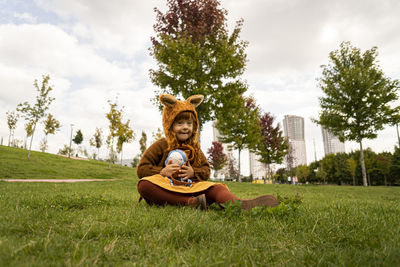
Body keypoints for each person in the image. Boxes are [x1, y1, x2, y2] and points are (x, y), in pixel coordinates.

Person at [137, 94, 278, 210]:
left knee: (216, 187)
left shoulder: (195, 148)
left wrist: (194, 173)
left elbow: (206, 170)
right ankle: (189, 203)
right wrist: (162, 172)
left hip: (191, 187)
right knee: (144, 185)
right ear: (170, 125)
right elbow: (142, 169)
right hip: (166, 188)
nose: (185, 127)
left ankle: (238, 205)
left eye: (189, 123)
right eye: (180, 123)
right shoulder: (162, 144)